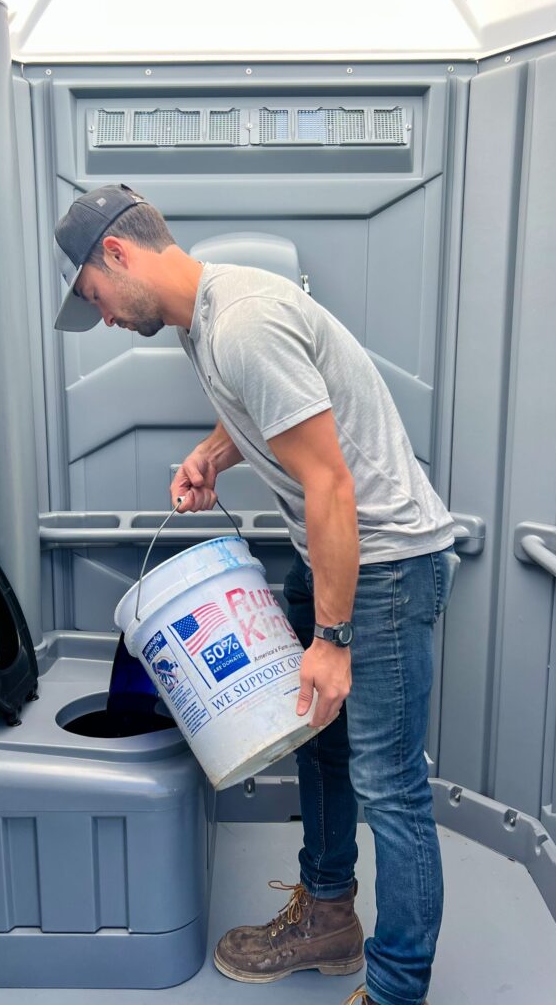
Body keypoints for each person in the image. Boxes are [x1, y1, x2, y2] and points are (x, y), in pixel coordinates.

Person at [54, 183, 460, 1005]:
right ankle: (328, 915)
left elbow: (331, 484)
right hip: (339, 558)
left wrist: (334, 640)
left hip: (380, 565)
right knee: (320, 741)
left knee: (390, 784)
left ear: (118, 255)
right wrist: (211, 454)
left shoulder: (240, 325)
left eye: (94, 297)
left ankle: (396, 991)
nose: (101, 318)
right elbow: (273, 416)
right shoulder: (204, 322)